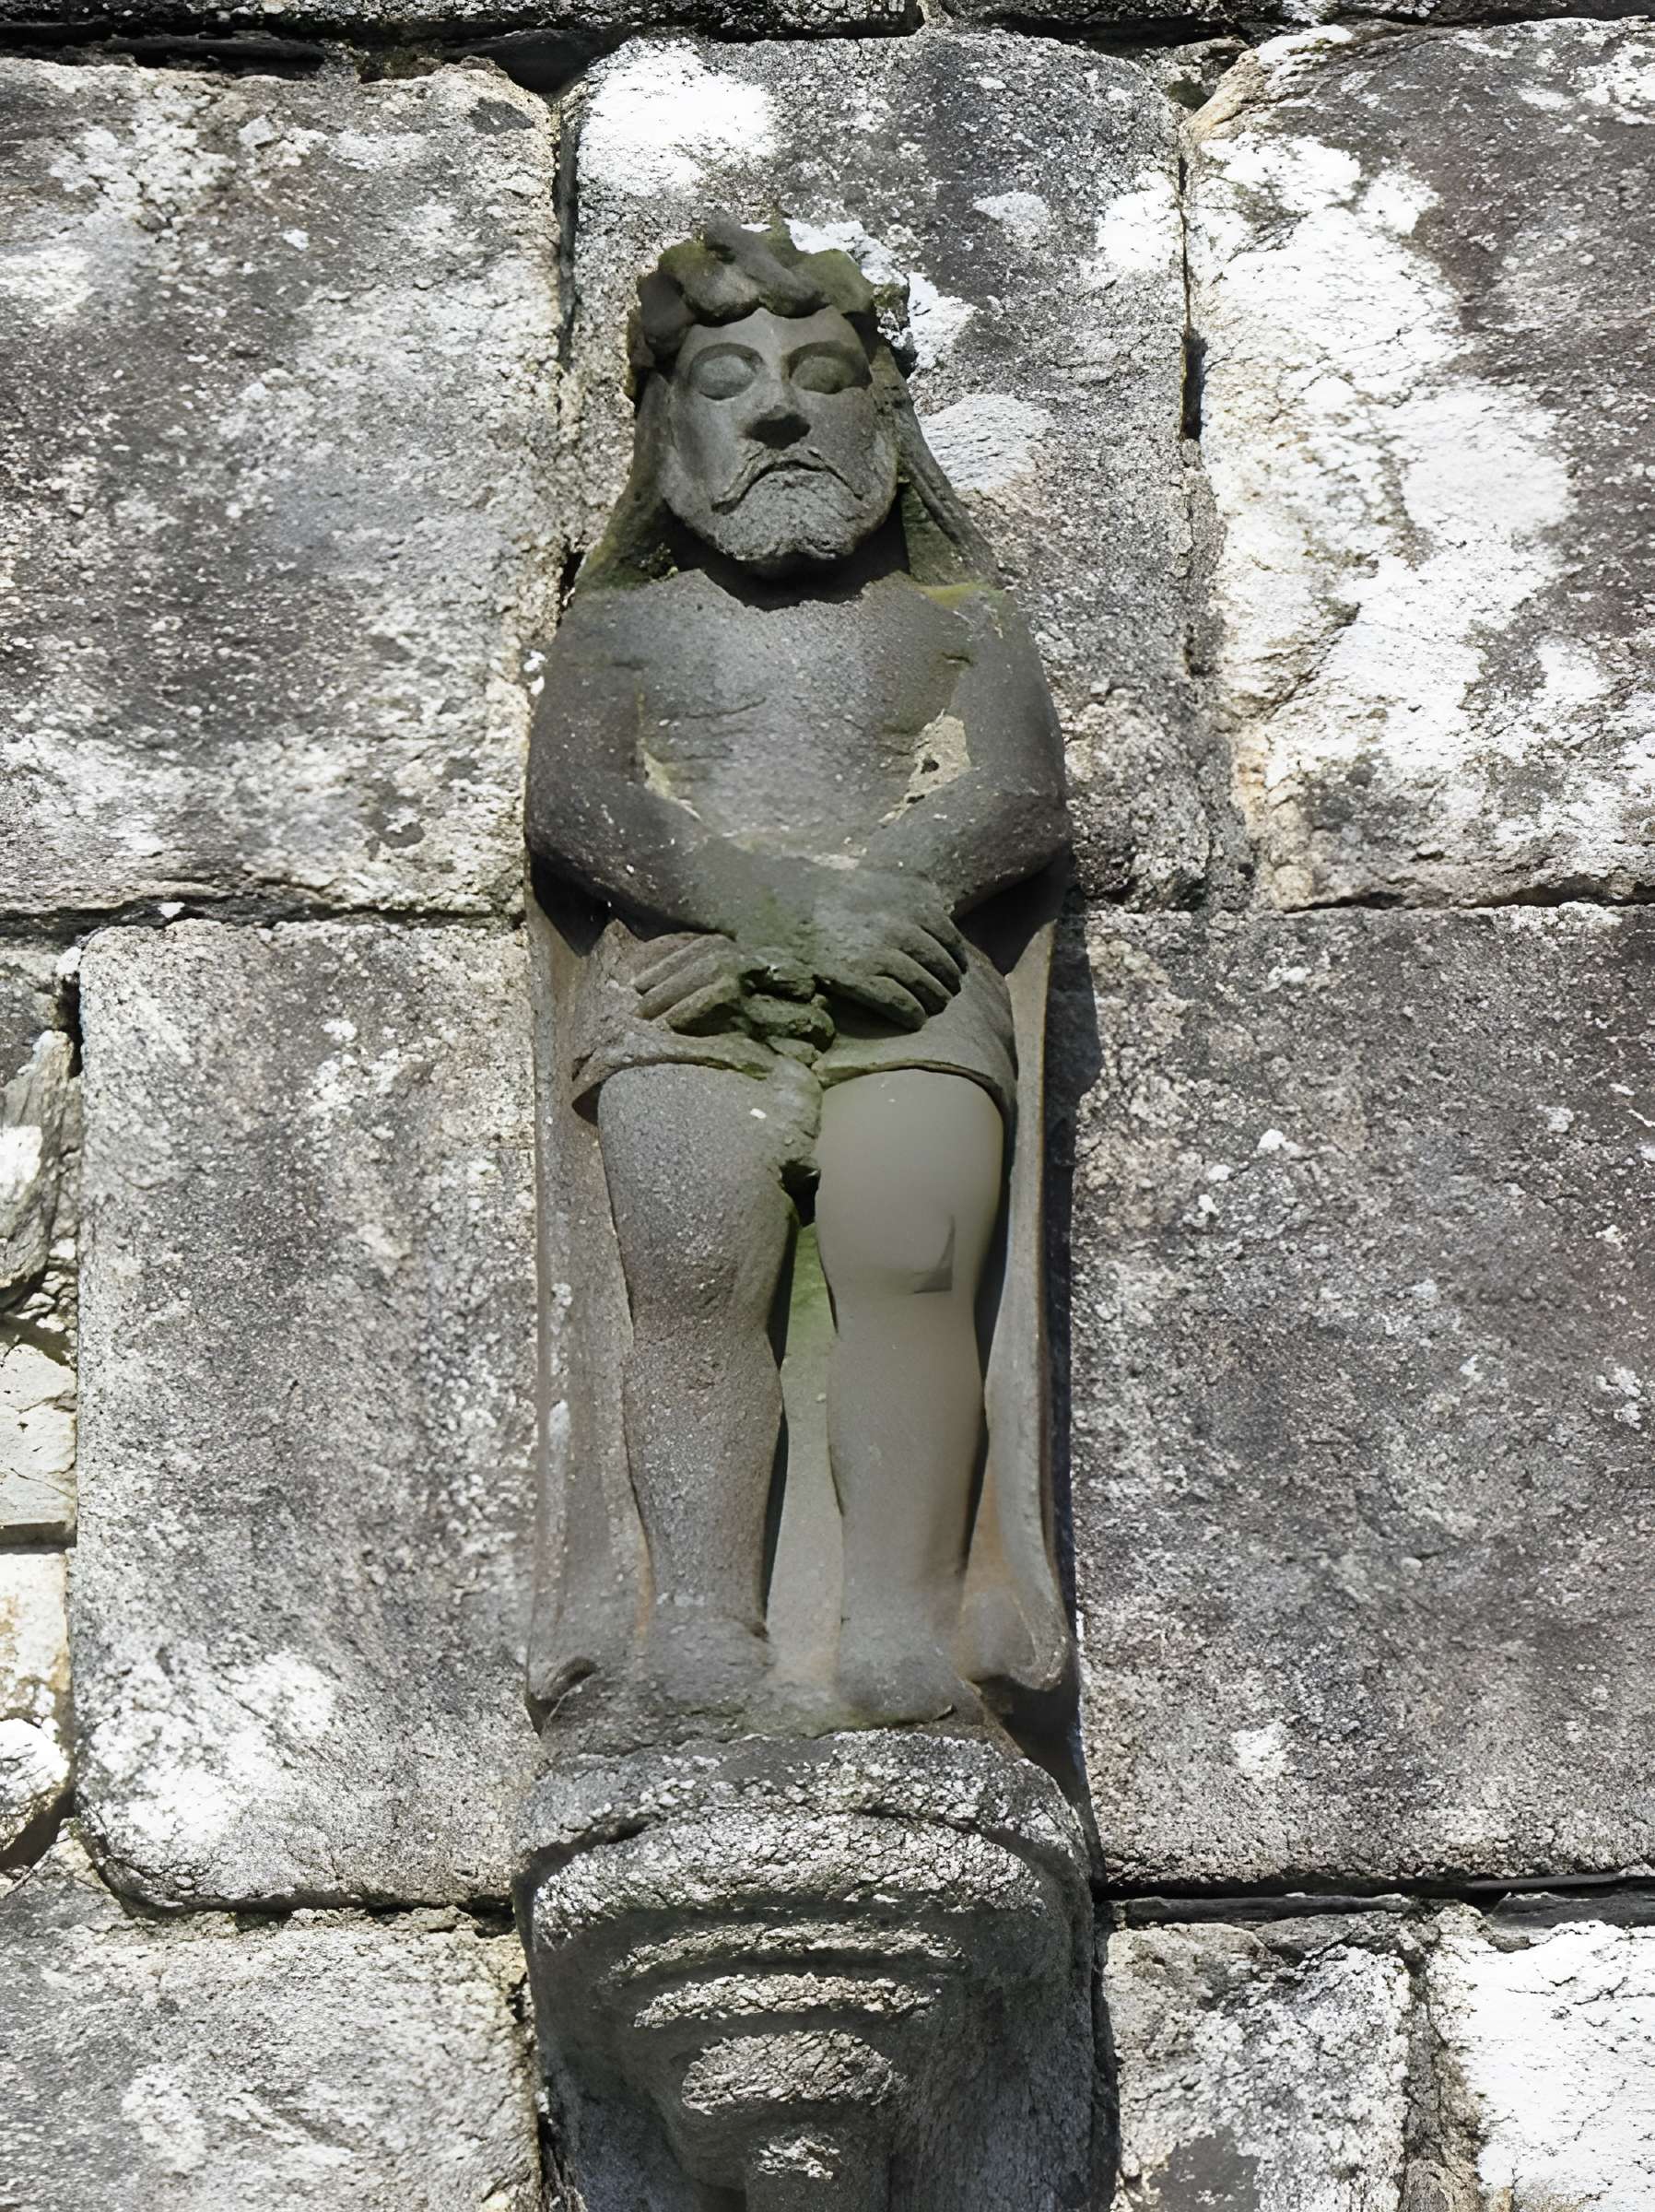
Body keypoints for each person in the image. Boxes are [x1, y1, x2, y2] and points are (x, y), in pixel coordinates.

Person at [527, 217, 1072, 1730]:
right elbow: (580, 805)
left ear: (880, 411)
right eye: (727, 377)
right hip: (689, 990)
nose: (776, 408)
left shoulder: (955, 617)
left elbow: (1015, 795)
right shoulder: (626, 624)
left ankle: (897, 1622)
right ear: (670, 421)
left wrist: (881, 894)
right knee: (696, 1284)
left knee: (909, 1259)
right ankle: (698, 1619)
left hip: (908, 991)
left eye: (819, 373)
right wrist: (769, 908)